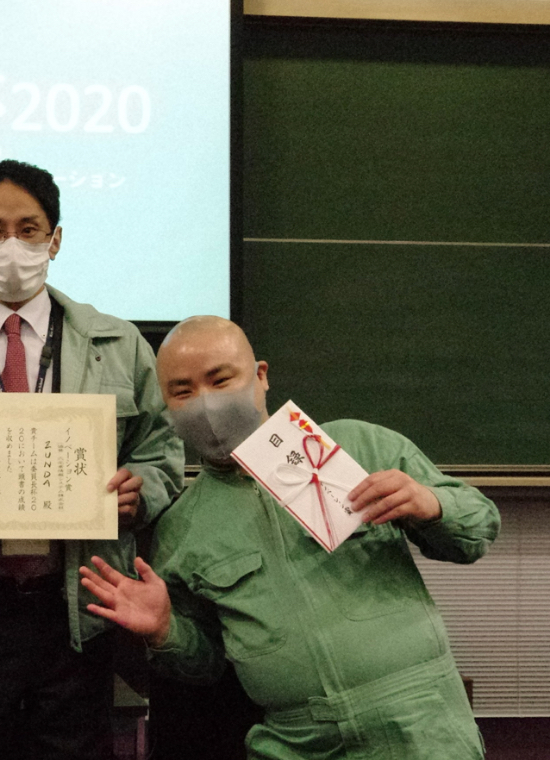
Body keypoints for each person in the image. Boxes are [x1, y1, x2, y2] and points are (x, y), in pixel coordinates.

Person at [80, 315, 499, 759]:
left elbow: (478, 532)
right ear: (166, 407)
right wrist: (166, 631)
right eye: (183, 392)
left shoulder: (358, 446)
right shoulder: (181, 525)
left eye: (220, 380)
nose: (205, 403)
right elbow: (206, 663)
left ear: (261, 376)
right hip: (294, 741)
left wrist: (431, 503)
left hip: (422, 723)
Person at [0, 159, 184, 760]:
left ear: (55, 239)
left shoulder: (119, 344)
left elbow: (162, 454)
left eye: (28, 230)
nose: (12, 246)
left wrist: (140, 488)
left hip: (81, 603)